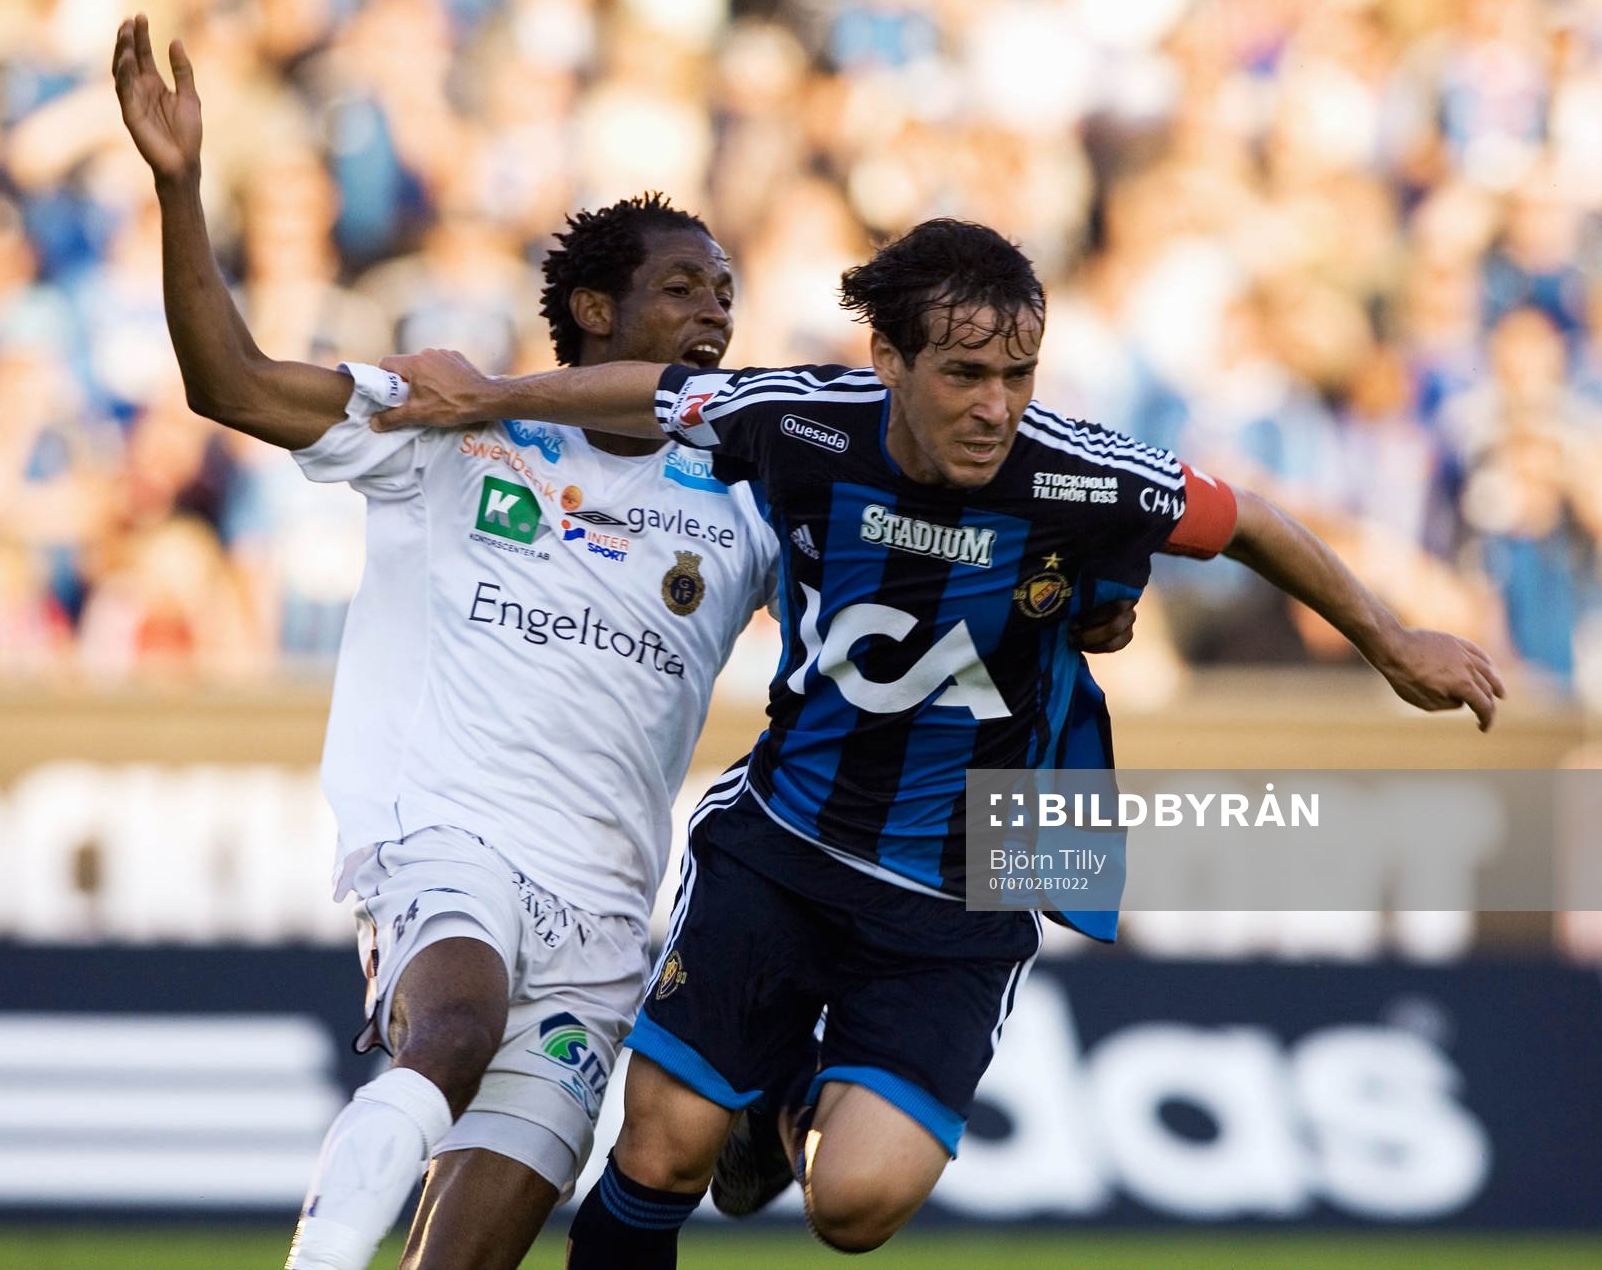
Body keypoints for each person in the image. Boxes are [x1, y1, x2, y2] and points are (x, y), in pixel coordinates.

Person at [373, 216, 1505, 1265]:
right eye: (963, 374)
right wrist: (492, 396)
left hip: (970, 875)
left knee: (854, 1207)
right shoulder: (799, 418)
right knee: (663, 1145)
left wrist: (1391, 640)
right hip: (785, 837)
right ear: (888, 361)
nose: (994, 407)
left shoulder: (1081, 471)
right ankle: (745, 1101)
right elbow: (653, 391)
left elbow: (1247, 521)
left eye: (1018, 375)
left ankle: (782, 1102)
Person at [112, 16, 786, 1270]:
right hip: (445, 835)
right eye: (682, 287)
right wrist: (181, 186)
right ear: (593, 307)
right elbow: (231, 383)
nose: (714, 313)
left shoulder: (744, 502)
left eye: (725, 296)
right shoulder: (453, 426)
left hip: (604, 918)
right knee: (455, 1026)